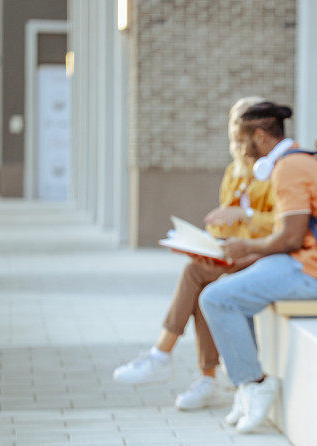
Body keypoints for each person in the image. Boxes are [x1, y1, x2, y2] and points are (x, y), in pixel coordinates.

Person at [112, 96, 278, 411]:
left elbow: (281, 224)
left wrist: (244, 217)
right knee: (201, 273)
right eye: (234, 132)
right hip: (234, 253)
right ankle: (201, 376)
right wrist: (209, 240)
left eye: (242, 133)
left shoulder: (274, 172)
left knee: (196, 275)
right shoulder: (234, 172)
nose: (238, 141)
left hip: (263, 255)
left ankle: (172, 360)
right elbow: (226, 222)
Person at [198, 101, 317, 434]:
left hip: (314, 272)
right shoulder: (294, 161)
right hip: (307, 264)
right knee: (233, 292)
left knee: (216, 299)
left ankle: (255, 383)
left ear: (261, 136)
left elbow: (291, 237)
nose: (240, 149)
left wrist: (246, 246)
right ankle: (245, 387)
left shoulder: (289, 168)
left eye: (242, 141)